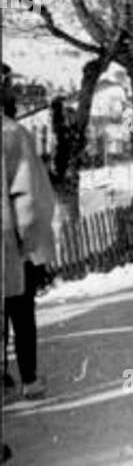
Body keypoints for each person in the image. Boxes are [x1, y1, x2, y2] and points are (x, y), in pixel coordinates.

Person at [3, 65, 55, 400]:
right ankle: (30, 379)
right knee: (22, 315)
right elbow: (31, 199)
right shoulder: (13, 134)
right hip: (10, 247)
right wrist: (31, 246)